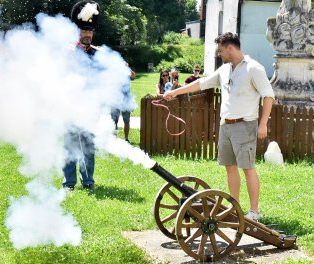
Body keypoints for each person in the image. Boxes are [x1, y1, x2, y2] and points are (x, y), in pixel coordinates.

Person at [163, 32, 275, 222]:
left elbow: (268, 96)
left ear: (230, 48)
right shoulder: (224, 70)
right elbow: (201, 83)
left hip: (245, 124)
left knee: (247, 168)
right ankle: (235, 208)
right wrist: (176, 92)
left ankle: (254, 212)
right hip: (226, 125)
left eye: (221, 50)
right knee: (230, 167)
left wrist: (263, 123)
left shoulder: (254, 68)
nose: (219, 54)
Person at [62, 0, 101, 191]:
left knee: (88, 147)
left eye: (90, 31)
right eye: (84, 31)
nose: (87, 34)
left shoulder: (97, 54)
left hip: (90, 107)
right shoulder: (67, 52)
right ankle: (69, 183)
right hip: (69, 106)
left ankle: (88, 181)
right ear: (78, 32)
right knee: (69, 146)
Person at [111, 65, 136, 143]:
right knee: (114, 121)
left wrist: (128, 68)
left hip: (126, 101)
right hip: (115, 100)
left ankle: (126, 138)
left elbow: (133, 76)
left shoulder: (127, 74)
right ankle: (114, 138)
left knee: (126, 121)